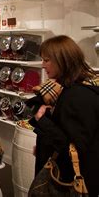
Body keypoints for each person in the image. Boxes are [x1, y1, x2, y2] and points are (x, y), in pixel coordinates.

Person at [27, 35, 98, 196]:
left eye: (47, 60)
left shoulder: (77, 95)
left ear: (62, 60)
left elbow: (75, 148)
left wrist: (42, 120)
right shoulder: (73, 88)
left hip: (68, 181)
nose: (43, 65)